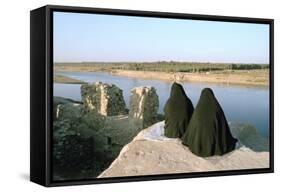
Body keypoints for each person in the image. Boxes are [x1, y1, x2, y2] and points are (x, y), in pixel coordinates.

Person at [182, 88, 237, 157]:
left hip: (197, 146)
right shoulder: (217, 109)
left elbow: (192, 127)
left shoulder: (198, 110)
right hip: (215, 145)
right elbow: (223, 126)